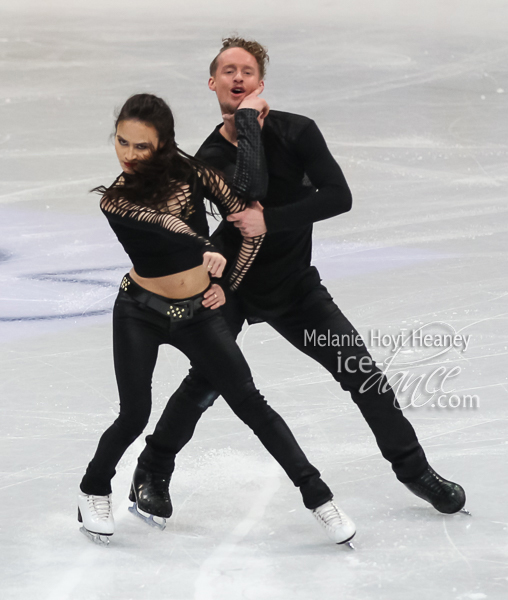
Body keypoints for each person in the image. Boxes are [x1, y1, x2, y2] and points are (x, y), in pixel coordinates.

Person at [135, 37, 467, 530]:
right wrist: (246, 125)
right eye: (228, 71)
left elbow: (338, 196)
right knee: (205, 383)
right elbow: (251, 188)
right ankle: (152, 472)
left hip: (295, 289)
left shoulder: (296, 131)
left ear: (260, 84)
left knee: (362, 373)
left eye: (247, 71)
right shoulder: (207, 157)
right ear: (213, 83)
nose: (238, 78)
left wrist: (272, 221)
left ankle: (416, 471)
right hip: (231, 288)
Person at [78, 92, 356, 546]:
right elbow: (163, 224)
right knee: (134, 415)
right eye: (122, 143)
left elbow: (248, 224)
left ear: (163, 144)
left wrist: (226, 286)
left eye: (141, 146)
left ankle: (319, 497)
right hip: (139, 311)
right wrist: (204, 246)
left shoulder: (196, 174)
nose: (128, 155)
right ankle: (93, 489)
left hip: (196, 314)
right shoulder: (116, 200)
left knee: (252, 404)